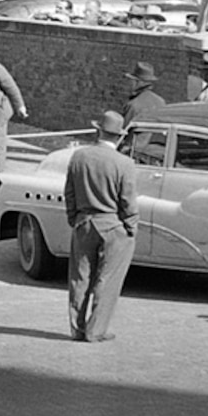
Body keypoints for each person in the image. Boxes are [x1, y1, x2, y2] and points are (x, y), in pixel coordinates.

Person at [61, 109, 141, 342]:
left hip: (84, 222)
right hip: (113, 225)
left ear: (98, 131)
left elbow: (69, 192)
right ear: (119, 137)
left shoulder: (79, 156)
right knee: (107, 279)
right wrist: (131, 227)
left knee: (80, 277)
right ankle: (96, 330)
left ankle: (77, 327)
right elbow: (128, 200)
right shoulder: (124, 163)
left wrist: (73, 218)